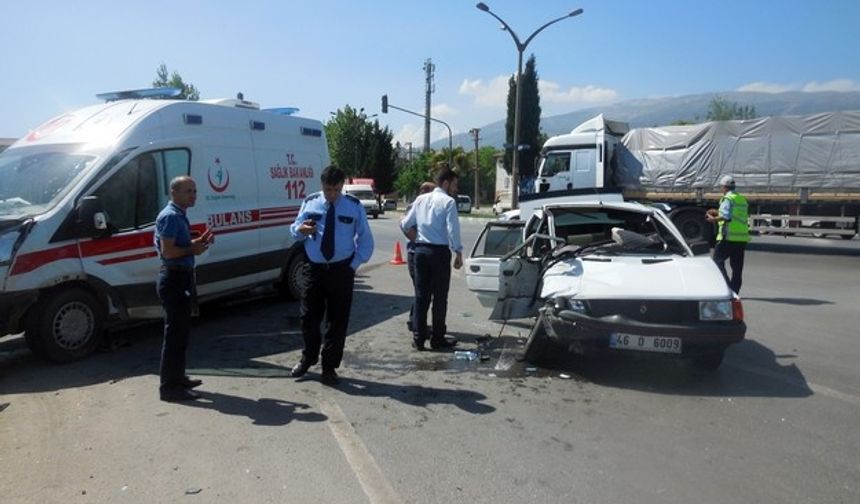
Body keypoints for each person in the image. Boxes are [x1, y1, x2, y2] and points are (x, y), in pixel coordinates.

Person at [289, 165, 374, 385]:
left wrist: (352, 266)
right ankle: (308, 358)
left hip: (341, 270)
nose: (332, 194)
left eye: (336, 189)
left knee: (337, 322)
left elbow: (366, 241)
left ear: (342, 185)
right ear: (322, 186)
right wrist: (301, 230)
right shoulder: (310, 202)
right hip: (314, 270)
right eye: (328, 189)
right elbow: (294, 229)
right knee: (308, 318)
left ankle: (329, 367)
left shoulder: (353, 206)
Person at [154, 176, 214, 402]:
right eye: (188, 191)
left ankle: (177, 378)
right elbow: (168, 251)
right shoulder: (170, 216)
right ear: (174, 193)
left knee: (181, 334)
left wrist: (197, 242)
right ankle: (169, 388)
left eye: (195, 190)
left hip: (181, 277)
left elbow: (179, 245)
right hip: (174, 279)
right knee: (175, 336)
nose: (193, 195)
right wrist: (193, 248)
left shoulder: (178, 215)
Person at [400, 168, 463, 351]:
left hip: (420, 251)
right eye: (454, 184)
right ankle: (437, 338)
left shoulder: (420, 199)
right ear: (445, 183)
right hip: (439, 253)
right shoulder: (448, 202)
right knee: (440, 297)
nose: (455, 188)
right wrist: (458, 252)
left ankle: (418, 338)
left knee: (421, 296)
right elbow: (453, 230)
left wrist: (416, 238)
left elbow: (405, 223)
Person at [706, 175, 750, 294]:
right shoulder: (741, 199)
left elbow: (726, 216)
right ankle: (735, 291)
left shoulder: (727, 199)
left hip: (728, 237)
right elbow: (736, 216)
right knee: (737, 268)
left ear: (724, 187)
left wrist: (712, 219)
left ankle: (727, 287)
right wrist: (717, 212)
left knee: (717, 262)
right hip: (741, 238)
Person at [403, 181, 436, 332]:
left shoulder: (425, 205)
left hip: (421, 253)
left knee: (422, 290)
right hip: (415, 253)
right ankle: (416, 323)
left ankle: (414, 320)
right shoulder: (416, 205)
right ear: (425, 191)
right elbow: (406, 226)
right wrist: (419, 240)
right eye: (432, 190)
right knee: (422, 291)